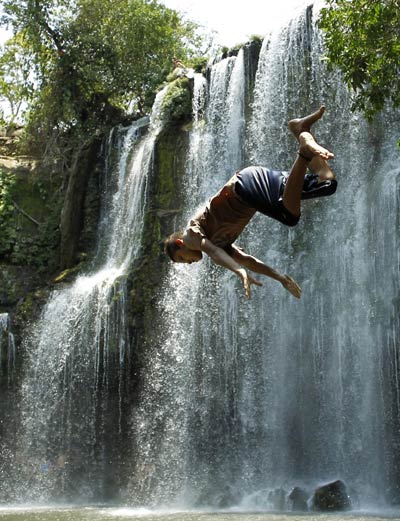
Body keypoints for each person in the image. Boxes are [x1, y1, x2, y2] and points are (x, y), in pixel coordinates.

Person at [164, 106, 337, 299]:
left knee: (289, 216)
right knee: (327, 183)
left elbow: (213, 252)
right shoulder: (220, 243)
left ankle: (304, 152)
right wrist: (280, 277)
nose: (189, 263)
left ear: (180, 244)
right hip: (256, 180)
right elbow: (248, 260)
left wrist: (239, 272)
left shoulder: (190, 236)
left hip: (244, 188)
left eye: (182, 258)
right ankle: (300, 130)